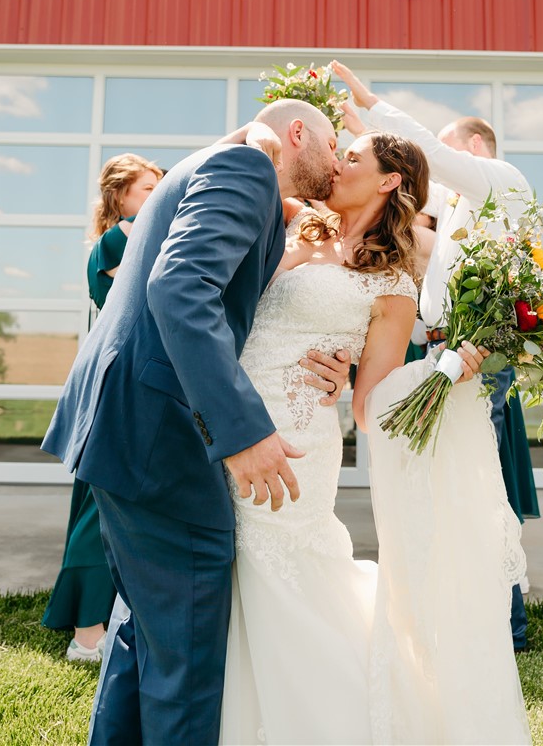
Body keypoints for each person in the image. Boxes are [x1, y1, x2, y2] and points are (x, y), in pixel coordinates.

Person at [41, 101, 352, 746]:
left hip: (128, 422)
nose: (338, 155)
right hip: (160, 432)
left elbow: (233, 304)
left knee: (146, 633)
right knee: (186, 651)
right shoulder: (246, 166)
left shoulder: (218, 168)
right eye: (332, 141)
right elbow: (181, 288)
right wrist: (239, 433)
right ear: (299, 133)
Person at [219, 129, 530, 745]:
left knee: (276, 570)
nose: (336, 164)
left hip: (301, 438)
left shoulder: (392, 283)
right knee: (228, 568)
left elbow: (371, 409)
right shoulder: (287, 222)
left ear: (389, 180)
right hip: (230, 420)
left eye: (352, 157)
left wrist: (446, 367)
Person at [332, 60, 540, 652]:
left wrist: (371, 108)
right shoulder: (461, 210)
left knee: (475, 483)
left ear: (474, 148)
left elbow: (424, 154)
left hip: (477, 358)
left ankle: (504, 628)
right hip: (449, 350)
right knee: (451, 481)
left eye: (451, 159)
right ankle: (467, 614)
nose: (441, 178)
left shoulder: (500, 180)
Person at [42, 153, 163, 662]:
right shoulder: (117, 240)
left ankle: (107, 620)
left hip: (133, 387)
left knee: (113, 509)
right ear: (120, 199)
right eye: (147, 190)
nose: (157, 198)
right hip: (114, 391)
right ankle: (87, 636)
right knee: (100, 513)